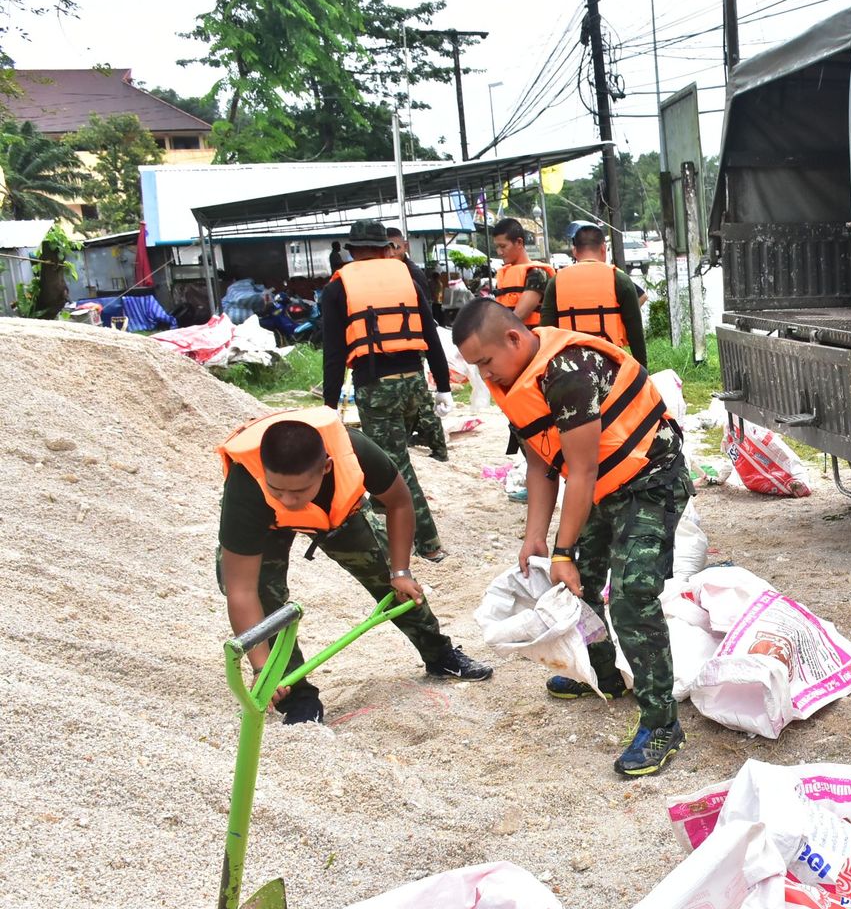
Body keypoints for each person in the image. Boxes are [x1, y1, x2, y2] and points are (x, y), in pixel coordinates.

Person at [453, 298, 691, 777]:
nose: (485, 377)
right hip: (604, 486)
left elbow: (579, 471)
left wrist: (564, 549)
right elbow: (541, 463)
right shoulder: (516, 380)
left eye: (485, 363)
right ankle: (604, 672)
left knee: (631, 595)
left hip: (649, 479)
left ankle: (663, 722)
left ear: (514, 340)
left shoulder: (568, 372)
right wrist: (535, 537)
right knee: (576, 581)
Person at [217, 407, 493, 724]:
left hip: (337, 514)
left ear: (326, 468)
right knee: (266, 598)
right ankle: (295, 696)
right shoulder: (247, 485)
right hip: (267, 526)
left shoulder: (356, 450)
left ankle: (438, 653)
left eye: (298, 491)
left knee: (388, 577)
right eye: (277, 490)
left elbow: (400, 501)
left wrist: (400, 572)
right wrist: (261, 666)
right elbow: (241, 590)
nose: (288, 501)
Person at [320, 219, 453, 561]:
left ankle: (429, 542)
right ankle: (387, 510)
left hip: (376, 388)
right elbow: (431, 334)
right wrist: (443, 386)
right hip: (414, 383)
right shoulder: (406, 279)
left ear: (352, 252)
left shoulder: (338, 287)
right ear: (385, 249)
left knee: (396, 467)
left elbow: (334, 352)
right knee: (389, 458)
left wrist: (329, 403)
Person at [540, 223, 649, 371]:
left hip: (568, 367)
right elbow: (635, 333)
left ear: (574, 251)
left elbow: (546, 333)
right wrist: (643, 373)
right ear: (603, 248)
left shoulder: (556, 282)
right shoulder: (619, 279)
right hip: (610, 364)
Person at [388, 226, 450, 461]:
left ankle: (437, 446)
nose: (392, 252)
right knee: (415, 398)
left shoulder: (412, 274)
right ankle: (422, 436)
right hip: (402, 342)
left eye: (395, 247)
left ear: (404, 246)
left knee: (420, 398)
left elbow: (421, 314)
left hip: (415, 342)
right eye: (388, 248)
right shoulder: (395, 271)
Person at [491, 218, 556, 325]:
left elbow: (519, 315)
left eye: (503, 246)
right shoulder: (503, 275)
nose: (499, 252)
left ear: (519, 242)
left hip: (533, 339)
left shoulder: (537, 273)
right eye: (497, 247)